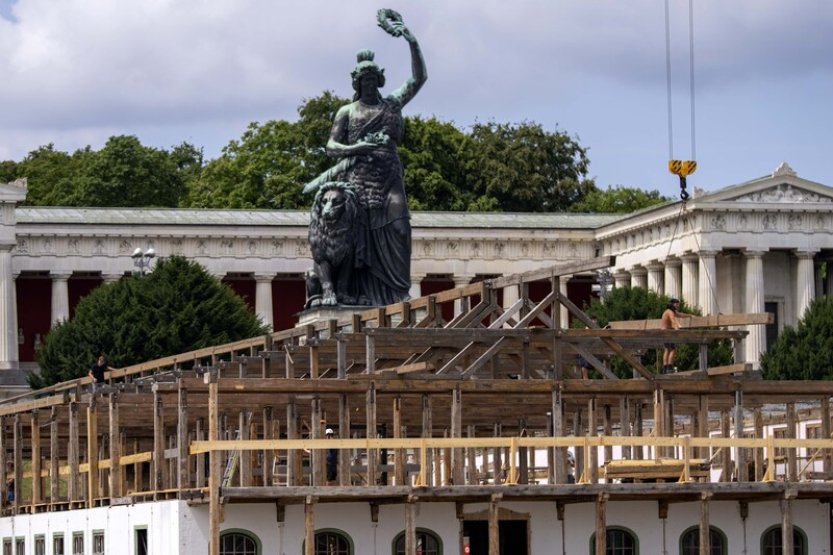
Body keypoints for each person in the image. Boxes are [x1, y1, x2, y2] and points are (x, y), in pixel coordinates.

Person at [306, 10, 427, 306]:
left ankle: (397, 295)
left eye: (373, 78)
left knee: (400, 229)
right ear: (357, 82)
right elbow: (332, 146)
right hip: (357, 184)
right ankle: (361, 295)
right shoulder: (347, 112)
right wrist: (356, 149)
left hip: (389, 181)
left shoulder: (392, 104)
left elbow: (419, 78)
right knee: (359, 244)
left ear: (380, 80)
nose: (369, 83)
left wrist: (411, 41)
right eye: (364, 79)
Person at [660, 298, 693, 373]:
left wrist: (690, 315)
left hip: (664, 332)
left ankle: (665, 368)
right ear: (673, 304)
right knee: (673, 349)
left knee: (667, 349)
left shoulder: (669, 311)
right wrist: (677, 327)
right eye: (677, 304)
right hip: (668, 332)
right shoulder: (670, 312)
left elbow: (681, 315)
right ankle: (669, 366)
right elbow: (673, 320)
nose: (678, 306)